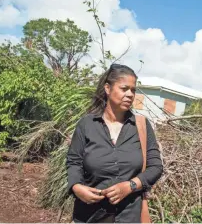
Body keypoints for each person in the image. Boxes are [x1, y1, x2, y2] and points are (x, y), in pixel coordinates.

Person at [66, 64, 163, 223]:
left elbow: (156, 167)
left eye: (133, 90)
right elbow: (74, 161)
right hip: (90, 216)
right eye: (124, 88)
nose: (130, 94)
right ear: (108, 88)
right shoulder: (87, 124)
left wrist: (130, 186)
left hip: (129, 216)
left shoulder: (141, 126)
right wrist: (76, 187)